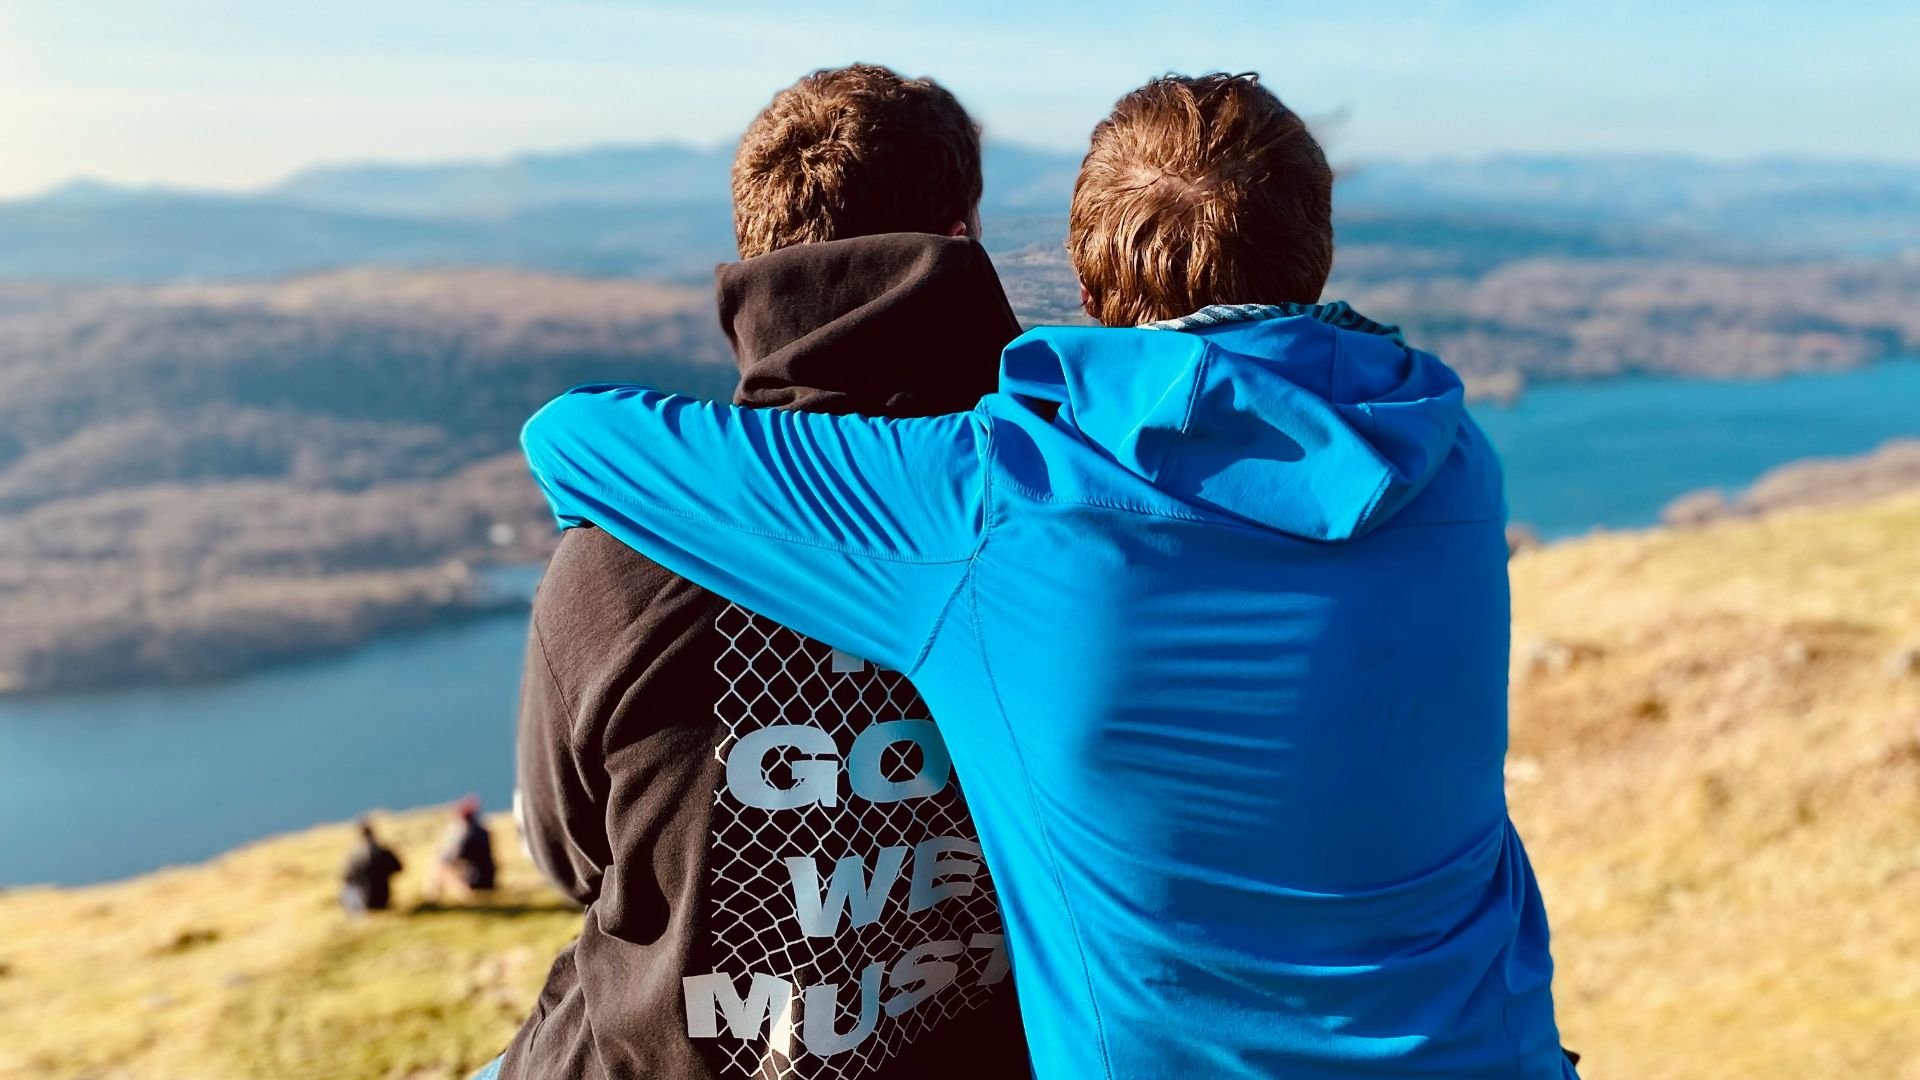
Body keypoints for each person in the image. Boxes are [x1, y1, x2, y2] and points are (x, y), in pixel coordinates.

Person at [521, 71, 1575, 1079]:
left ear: (1082, 277)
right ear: (1316, 252)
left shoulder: (1006, 500)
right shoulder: (1446, 458)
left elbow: (574, 437)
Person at [497, 64, 1028, 1080]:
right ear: (960, 244)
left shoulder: (619, 554)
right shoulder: (1053, 524)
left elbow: (571, 858)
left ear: (752, 259)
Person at [429, 795, 496, 898]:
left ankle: (432, 897)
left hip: (475, 882)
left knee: (440, 866)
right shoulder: (482, 831)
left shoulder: (466, 834)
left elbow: (448, 857)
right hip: (488, 880)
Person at [339, 817, 403, 914]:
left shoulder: (355, 856)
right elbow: (399, 867)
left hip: (364, 902)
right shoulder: (383, 851)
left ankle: (355, 912)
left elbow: (346, 877)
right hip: (384, 899)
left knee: (348, 888)